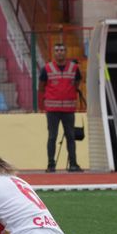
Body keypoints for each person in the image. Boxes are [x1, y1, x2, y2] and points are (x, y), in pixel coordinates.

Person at [37, 41, 81, 172]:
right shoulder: (47, 68)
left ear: (66, 52)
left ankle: (73, 164)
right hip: (52, 109)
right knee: (52, 137)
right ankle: (51, 165)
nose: (59, 52)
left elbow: (77, 83)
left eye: (62, 50)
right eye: (57, 50)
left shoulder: (74, 68)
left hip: (69, 109)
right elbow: (41, 86)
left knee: (71, 137)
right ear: (54, 53)